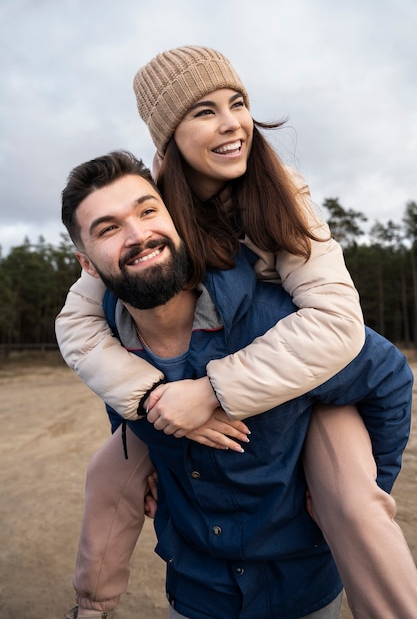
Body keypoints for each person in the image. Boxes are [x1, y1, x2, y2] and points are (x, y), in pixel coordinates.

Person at [55, 47, 417, 617]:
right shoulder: (146, 215)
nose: (231, 123)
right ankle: (92, 604)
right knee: (109, 473)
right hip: (189, 370)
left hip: (300, 368)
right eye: (203, 111)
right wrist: (148, 401)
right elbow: (83, 324)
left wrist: (212, 392)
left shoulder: (280, 192)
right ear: (168, 138)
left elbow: (338, 324)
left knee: (354, 501)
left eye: (238, 103)